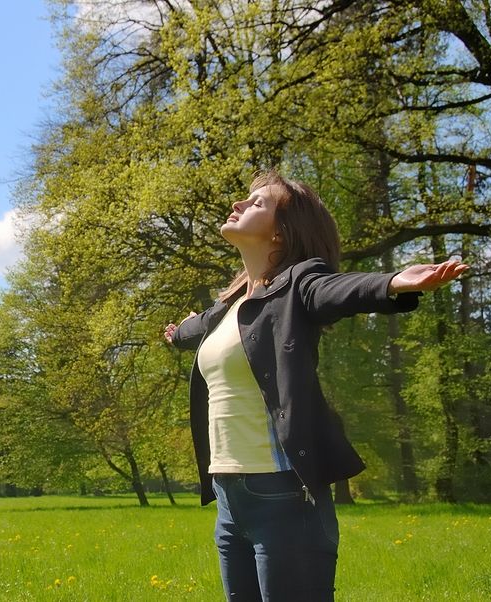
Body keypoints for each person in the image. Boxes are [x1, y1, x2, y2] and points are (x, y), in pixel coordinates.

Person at [163, 170, 468, 601]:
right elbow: (197, 327)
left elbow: (336, 289)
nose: (239, 205)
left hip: (283, 496)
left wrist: (392, 283)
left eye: (258, 203)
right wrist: (177, 335)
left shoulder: (299, 284)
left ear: (282, 235)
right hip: (228, 495)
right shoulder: (230, 307)